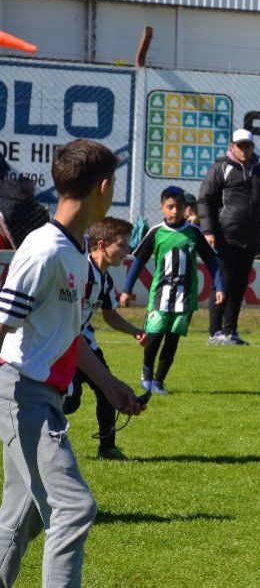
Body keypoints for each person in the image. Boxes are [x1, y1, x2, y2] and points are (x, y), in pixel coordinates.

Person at [0, 139, 146, 587]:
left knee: (21, 516)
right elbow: (2, 323)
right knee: (74, 507)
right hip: (22, 393)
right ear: (104, 187)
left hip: (43, 393)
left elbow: (68, 336)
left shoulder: (77, 250)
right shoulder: (44, 250)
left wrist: (107, 383)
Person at [120, 186, 225, 395]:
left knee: (172, 339)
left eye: (178, 207)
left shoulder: (194, 232)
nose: (174, 211)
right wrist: (126, 289)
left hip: (185, 298)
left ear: (185, 208)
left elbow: (212, 261)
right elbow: (138, 262)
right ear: (162, 208)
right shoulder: (156, 232)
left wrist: (219, 286)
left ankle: (159, 382)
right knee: (154, 336)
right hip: (160, 296)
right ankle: (147, 371)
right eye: (170, 207)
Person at [64, 217, 147, 460]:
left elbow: (110, 316)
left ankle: (107, 446)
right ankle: (42, 433)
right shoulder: (79, 270)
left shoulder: (105, 279)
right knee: (71, 400)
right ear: (101, 245)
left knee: (106, 391)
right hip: (66, 345)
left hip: (87, 344)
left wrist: (135, 331)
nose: (127, 251)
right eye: (122, 245)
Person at [199, 128, 260, 346]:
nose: (245, 149)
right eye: (241, 145)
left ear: (253, 147)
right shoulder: (221, 168)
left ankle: (230, 331)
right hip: (224, 237)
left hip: (250, 239)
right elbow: (205, 200)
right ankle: (215, 332)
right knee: (222, 284)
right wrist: (208, 231)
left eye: (248, 145)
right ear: (232, 146)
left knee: (239, 285)